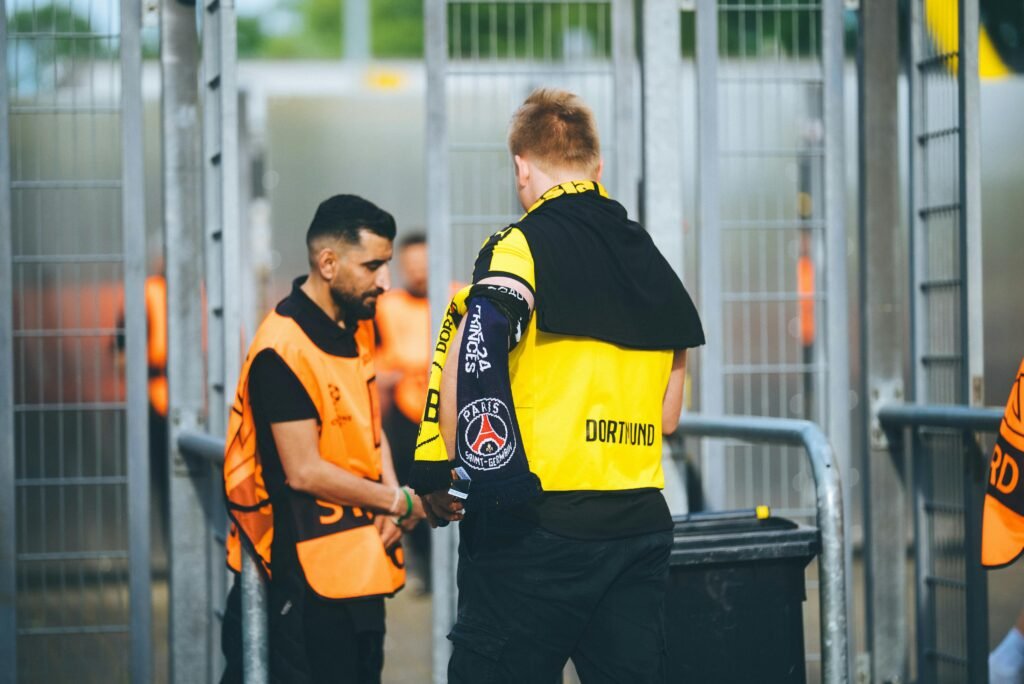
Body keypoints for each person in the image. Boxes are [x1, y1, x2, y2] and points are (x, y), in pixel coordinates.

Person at [409, 89, 705, 682]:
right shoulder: (648, 258)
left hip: (534, 524)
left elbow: (476, 347)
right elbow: (668, 416)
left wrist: (453, 469)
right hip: (638, 524)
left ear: (522, 167)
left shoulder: (520, 246)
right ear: (598, 168)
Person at [220, 194, 425, 684]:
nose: (386, 281)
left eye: (387, 265)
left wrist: (389, 493)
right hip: (302, 583)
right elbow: (304, 469)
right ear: (328, 262)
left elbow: (368, 419)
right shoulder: (281, 348)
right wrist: (396, 500)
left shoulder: (352, 328)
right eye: (373, 265)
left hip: (356, 571)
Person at [375, 232, 433, 587]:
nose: (419, 271)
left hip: (447, 412)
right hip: (403, 409)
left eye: (425, 262)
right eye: (411, 264)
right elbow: (371, 358)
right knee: (410, 485)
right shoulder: (386, 305)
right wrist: (398, 372)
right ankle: (420, 564)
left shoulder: (457, 296)